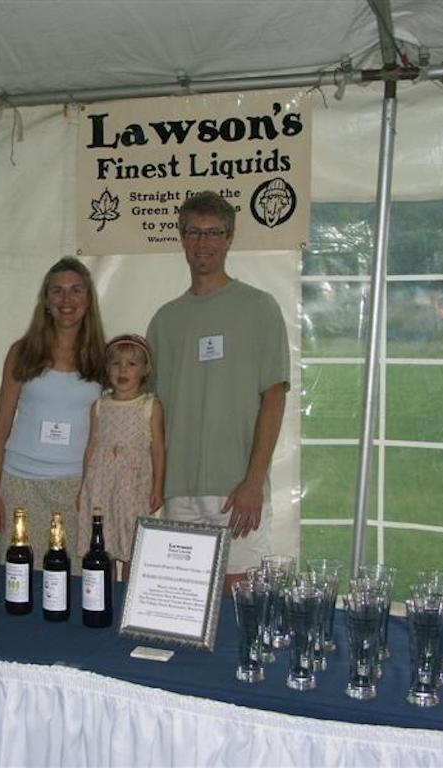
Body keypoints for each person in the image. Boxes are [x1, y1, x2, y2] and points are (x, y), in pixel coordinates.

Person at [146, 191, 290, 594]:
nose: (202, 242)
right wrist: (154, 483)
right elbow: (151, 413)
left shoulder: (259, 308)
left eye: (213, 233)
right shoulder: (164, 320)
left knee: (239, 604)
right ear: (181, 238)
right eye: (194, 232)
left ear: (229, 238)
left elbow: (274, 397)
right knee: (184, 602)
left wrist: (253, 481)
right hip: (180, 492)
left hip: (237, 491)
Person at [0, 257, 106, 570]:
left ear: (88, 300)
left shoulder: (103, 359)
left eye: (76, 290)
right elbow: (0, 428)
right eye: (57, 291)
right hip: (20, 485)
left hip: (75, 489)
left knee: (71, 578)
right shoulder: (22, 352)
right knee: (19, 578)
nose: (67, 299)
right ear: (46, 302)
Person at [77, 333, 165, 581]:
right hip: (101, 485)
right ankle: (105, 593)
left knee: (130, 545)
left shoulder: (150, 406)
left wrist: (158, 487)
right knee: (104, 542)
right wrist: (83, 487)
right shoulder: (99, 406)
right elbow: (91, 446)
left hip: (134, 486)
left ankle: (127, 593)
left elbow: (159, 450)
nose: (123, 370)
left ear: (145, 369)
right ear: (107, 368)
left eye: (131, 364)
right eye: (116, 363)